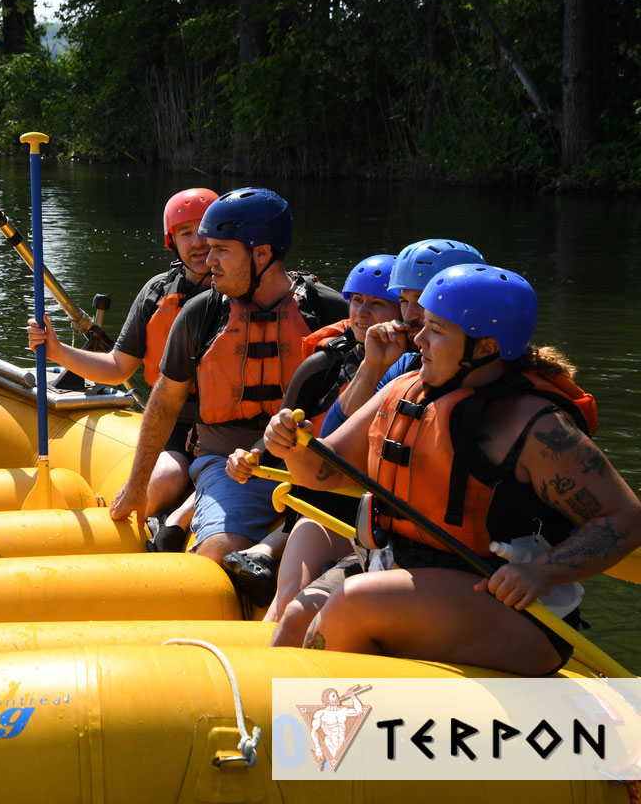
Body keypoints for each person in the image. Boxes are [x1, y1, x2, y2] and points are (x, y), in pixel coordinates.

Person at [262, 263, 641, 675]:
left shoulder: (534, 426)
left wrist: (540, 572)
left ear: (485, 348)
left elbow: (625, 517)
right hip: (401, 568)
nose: (418, 338)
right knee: (298, 617)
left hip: (513, 607)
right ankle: (282, 732)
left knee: (354, 602)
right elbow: (325, 472)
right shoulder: (404, 389)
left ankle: (332, 733)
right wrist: (291, 444)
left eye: (436, 330)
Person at [109, 187, 346, 566]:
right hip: (227, 463)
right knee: (219, 552)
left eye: (222, 250)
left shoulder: (328, 310)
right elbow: (166, 401)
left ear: (262, 254)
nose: (209, 259)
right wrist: (138, 485)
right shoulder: (201, 314)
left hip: (312, 465)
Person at [225, 254, 401, 617]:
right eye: (356, 301)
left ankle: (267, 549)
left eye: (377, 304)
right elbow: (284, 426)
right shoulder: (322, 365)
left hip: (372, 504)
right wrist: (254, 456)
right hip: (323, 496)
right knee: (289, 595)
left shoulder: (415, 371)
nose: (361, 313)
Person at [27, 187, 217, 518]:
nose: (198, 241)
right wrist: (57, 351)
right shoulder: (157, 293)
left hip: (228, 426)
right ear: (172, 241)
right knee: (166, 478)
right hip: (174, 427)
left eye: (205, 230)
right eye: (186, 233)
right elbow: (118, 368)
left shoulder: (240, 290)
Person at [321, 238, 482, 436]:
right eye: (403, 301)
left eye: (423, 301)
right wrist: (372, 366)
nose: (410, 315)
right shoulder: (404, 366)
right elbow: (331, 441)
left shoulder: (503, 384)